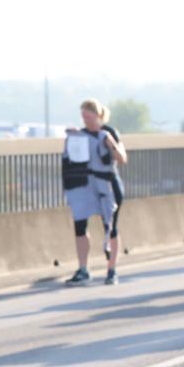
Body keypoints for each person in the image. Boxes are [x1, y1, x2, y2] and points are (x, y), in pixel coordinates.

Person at [63, 99, 128, 285]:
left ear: (98, 115)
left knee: (110, 226)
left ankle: (111, 270)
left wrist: (110, 142)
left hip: (108, 184)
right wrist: (75, 140)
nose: (85, 120)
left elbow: (122, 158)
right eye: (83, 116)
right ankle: (83, 269)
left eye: (88, 115)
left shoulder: (109, 133)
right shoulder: (80, 135)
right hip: (86, 185)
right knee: (80, 225)